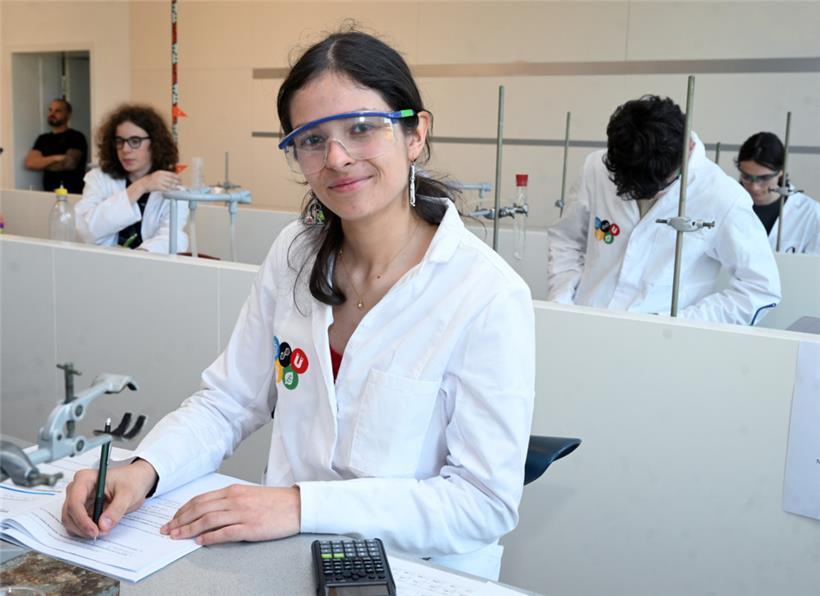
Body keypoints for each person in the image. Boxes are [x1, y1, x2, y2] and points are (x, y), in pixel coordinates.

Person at [62, 31, 535, 580]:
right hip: (287, 560)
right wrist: (143, 469)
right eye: (312, 139)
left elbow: (483, 503)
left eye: (362, 127)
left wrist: (299, 505)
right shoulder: (295, 252)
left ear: (415, 134)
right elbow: (230, 401)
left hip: (417, 571)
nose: (337, 157)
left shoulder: (485, 293)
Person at [547, 95, 781, 325]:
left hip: (664, 339)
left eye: (658, 188)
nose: (644, 196)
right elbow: (567, 240)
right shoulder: (596, 168)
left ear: (688, 150)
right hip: (585, 324)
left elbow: (760, 288)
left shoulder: (722, 197)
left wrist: (679, 323)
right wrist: (562, 302)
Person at [74, 104, 188, 253]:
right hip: (101, 262)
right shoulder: (98, 179)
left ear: (155, 143)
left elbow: (172, 237)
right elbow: (85, 231)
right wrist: (141, 186)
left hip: (148, 264)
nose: (125, 149)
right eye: (120, 141)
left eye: (135, 141)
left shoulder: (174, 190)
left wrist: (138, 256)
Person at [737, 132, 820, 255]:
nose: (754, 187)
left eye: (764, 178)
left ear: (781, 172)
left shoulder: (811, 214)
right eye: (747, 177)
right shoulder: (726, 205)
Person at [24, 98, 88, 194]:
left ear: (68, 115)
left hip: (73, 193)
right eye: (50, 110)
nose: (52, 114)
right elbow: (30, 163)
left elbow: (69, 164)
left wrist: (42, 163)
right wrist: (56, 158)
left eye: (58, 111)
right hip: (49, 193)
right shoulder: (43, 138)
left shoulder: (76, 137)